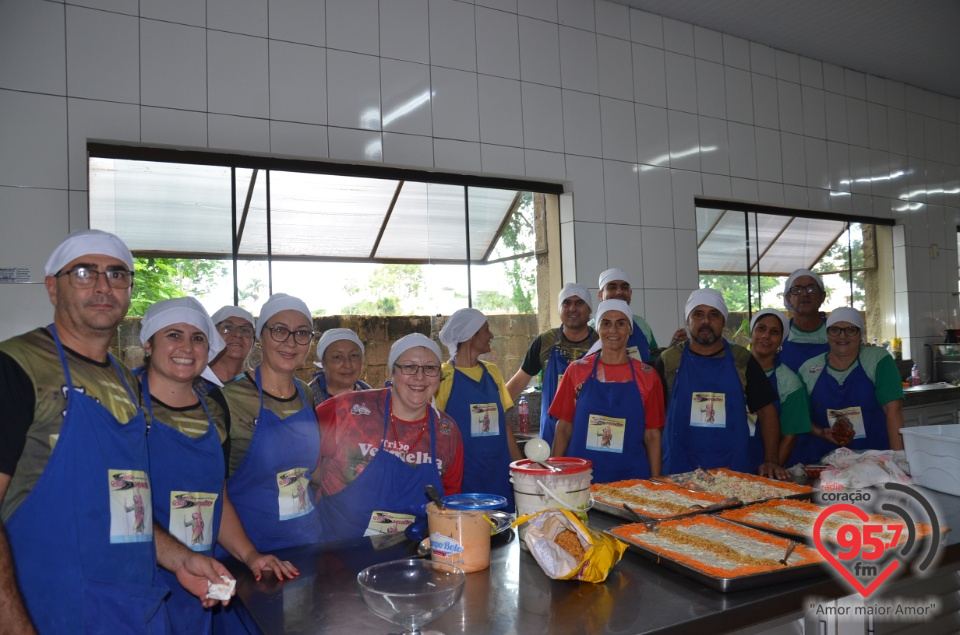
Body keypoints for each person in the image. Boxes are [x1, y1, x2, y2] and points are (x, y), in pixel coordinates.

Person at [0, 229, 232, 633]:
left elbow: (125, 500)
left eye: (117, 274)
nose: (104, 286)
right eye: (85, 273)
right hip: (47, 610)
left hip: (129, 608)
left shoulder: (127, 383)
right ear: (53, 287)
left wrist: (180, 559)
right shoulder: (18, 367)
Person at [138, 297, 298, 635]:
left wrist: (250, 555)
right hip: (142, 575)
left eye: (198, 338)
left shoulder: (214, 411)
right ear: (148, 344)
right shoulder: (127, 408)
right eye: (173, 335)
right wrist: (177, 557)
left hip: (202, 572)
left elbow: (217, 497)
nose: (186, 346)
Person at [315, 333, 464, 542]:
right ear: (392, 371)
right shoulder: (345, 410)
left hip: (410, 553)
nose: (419, 377)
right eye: (409, 367)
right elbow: (296, 467)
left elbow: (447, 502)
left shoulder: (446, 432)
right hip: (338, 551)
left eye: (430, 368)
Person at [221, 293, 322, 551]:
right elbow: (213, 492)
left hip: (305, 540)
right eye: (279, 330)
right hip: (249, 548)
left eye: (302, 333)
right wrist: (250, 555)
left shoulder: (306, 394)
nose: (291, 342)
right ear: (260, 337)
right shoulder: (227, 398)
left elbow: (310, 472)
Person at [656, 289, 789, 479]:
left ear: (724, 321)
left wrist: (771, 459)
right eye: (698, 314)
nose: (705, 322)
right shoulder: (669, 360)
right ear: (688, 320)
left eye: (714, 315)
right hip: (679, 467)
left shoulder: (742, 359)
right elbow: (654, 420)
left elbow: (767, 410)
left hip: (732, 469)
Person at [549, 300, 665, 482]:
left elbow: (652, 434)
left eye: (620, 324)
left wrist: (657, 481)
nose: (613, 330)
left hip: (632, 479)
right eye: (606, 324)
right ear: (597, 329)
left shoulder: (648, 375)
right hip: (582, 478)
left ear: (630, 330)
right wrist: (553, 474)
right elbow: (563, 427)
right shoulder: (577, 370)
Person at [789, 307, 905, 466]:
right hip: (826, 464)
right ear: (827, 334)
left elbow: (893, 409)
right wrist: (821, 432)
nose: (842, 336)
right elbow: (798, 416)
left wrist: (898, 461)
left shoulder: (877, 359)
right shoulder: (809, 369)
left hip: (877, 462)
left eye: (851, 330)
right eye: (835, 330)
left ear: (860, 335)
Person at [436, 308, 521, 508]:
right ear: (470, 336)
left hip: (499, 474)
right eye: (486, 330)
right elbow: (436, 433)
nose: (491, 335)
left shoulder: (492, 372)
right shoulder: (443, 376)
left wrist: (521, 468)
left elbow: (504, 425)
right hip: (464, 475)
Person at [505, 283, 599, 446]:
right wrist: (495, 409)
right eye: (566, 303)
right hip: (552, 433)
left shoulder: (601, 343)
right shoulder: (544, 341)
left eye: (579, 303)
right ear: (560, 309)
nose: (572, 308)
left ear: (590, 309)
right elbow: (519, 381)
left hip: (591, 432)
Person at [747, 309, 812, 467]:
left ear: (781, 341)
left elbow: (789, 438)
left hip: (765, 465)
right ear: (751, 333)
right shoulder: (732, 370)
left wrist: (769, 474)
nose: (766, 336)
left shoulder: (789, 383)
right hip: (731, 459)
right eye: (761, 328)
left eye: (774, 332)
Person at [586, 267, 685, 362]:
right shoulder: (589, 329)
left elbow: (653, 359)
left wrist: (671, 350)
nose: (619, 292)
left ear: (630, 293)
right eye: (612, 287)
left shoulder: (641, 324)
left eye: (624, 287)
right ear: (600, 295)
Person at [779, 268, 830, 372]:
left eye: (811, 289)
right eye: (797, 289)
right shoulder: (779, 334)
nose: (805, 294)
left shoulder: (837, 332)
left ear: (822, 297)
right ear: (788, 298)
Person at [308, 328, 371, 404]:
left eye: (354, 355)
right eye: (337, 357)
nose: (347, 365)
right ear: (324, 364)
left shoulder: (373, 397)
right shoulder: (306, 401)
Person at [209, 305, 256, 385]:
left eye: (246, 330)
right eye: (227, 328)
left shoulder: (257, 388)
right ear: (211, 336)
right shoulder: (191, 385)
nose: (238, 334)